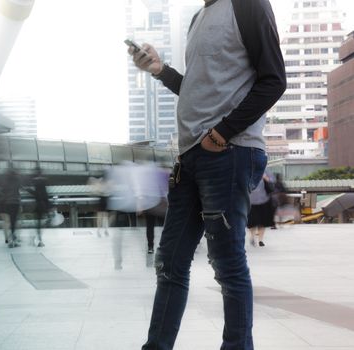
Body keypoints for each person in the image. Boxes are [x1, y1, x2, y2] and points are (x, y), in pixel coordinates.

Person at [129, 0, 286, 348]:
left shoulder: (248, 5)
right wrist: (159, 69)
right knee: (169, 262)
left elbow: (274, 80)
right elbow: (200, 91)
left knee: (227, 264)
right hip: (190, 157)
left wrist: (222, 133)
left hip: (229, 152)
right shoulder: (199, 17)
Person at [247, 174, 275, 247]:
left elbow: (272, 184)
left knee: (262, 222)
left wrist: (266, 178)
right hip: (252, 202)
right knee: (252, 222)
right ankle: (253, 237)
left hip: (263, 202)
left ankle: (260, 240)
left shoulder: (265, 172)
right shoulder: (249, 173)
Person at [27, 168, 51, 247]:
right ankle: (39, 239)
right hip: (43, 204)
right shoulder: (44, 181)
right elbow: (45, 194)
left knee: (38, 223)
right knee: (41, 223)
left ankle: (37, 238)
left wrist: (28, 190)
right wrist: (49, 207)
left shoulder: (34, 181)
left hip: (36, 204)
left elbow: (36, 193)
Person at [0, 169, 22, 248]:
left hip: (8, 203)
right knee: (14, 221)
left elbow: (2, 191)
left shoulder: (6, 182)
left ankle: (10, 239)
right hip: (16, 203)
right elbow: (20, 190)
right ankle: (13, 239)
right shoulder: (17, 181)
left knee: (9, 221)